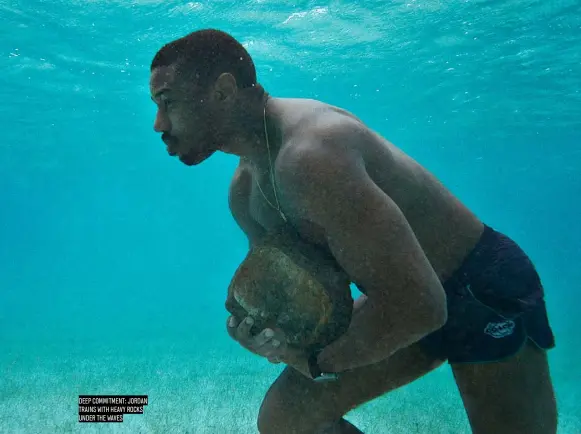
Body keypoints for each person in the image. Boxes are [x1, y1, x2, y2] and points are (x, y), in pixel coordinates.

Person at [149, 29, 558, 434]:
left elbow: (423, 306)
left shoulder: (312, 155)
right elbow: (297, 305)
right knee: (286, 420)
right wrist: (262, 336)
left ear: (223, 91)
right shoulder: (245, 194)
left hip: (480, 289)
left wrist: (312, 361)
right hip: (401, 300)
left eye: (168, 103)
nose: (158, 124)